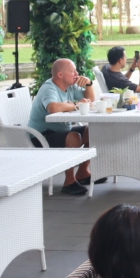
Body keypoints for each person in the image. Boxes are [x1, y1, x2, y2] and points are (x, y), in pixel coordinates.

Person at [28, 58, 98, 196]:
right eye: (72, 71)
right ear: (60, 75)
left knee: (93, 132)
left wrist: (89, 84)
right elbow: (53, 108)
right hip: (40, 135)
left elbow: (91, 101)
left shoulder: (70, 86)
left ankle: (83, 173)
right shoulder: (49, 88)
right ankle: (69, 182)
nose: (76, 74)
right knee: (74, 137)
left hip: (61, 130)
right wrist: (76, 104)